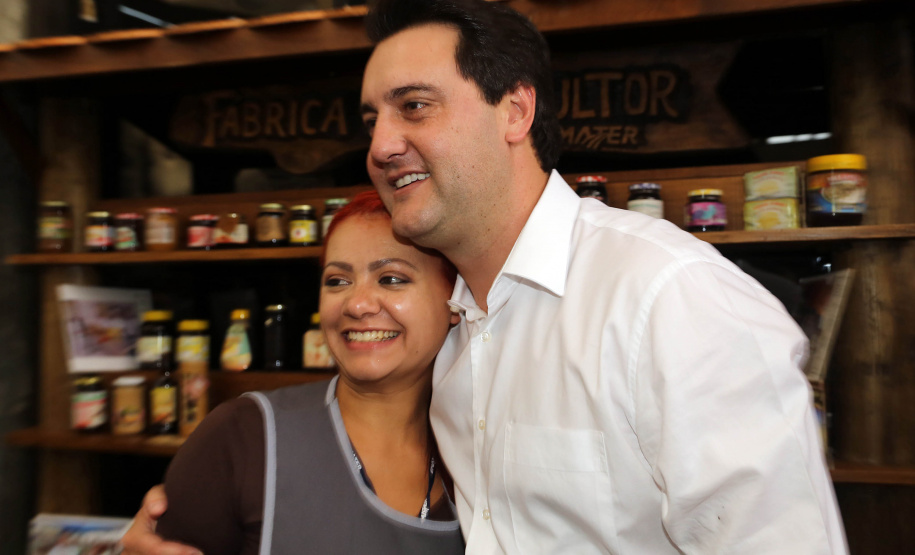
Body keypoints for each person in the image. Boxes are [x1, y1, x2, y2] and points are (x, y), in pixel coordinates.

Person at [124, 0, 848, 553]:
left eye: (414, 106)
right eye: (371, 116)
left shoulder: (666, 295)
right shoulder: (458, 346)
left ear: (514, 110)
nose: (378, 144)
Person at [124, 191, 464, 555]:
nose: (357, 304)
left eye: (392, 279)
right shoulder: (242, 437)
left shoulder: (478, 445)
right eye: (337, 280)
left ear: (457, 300)